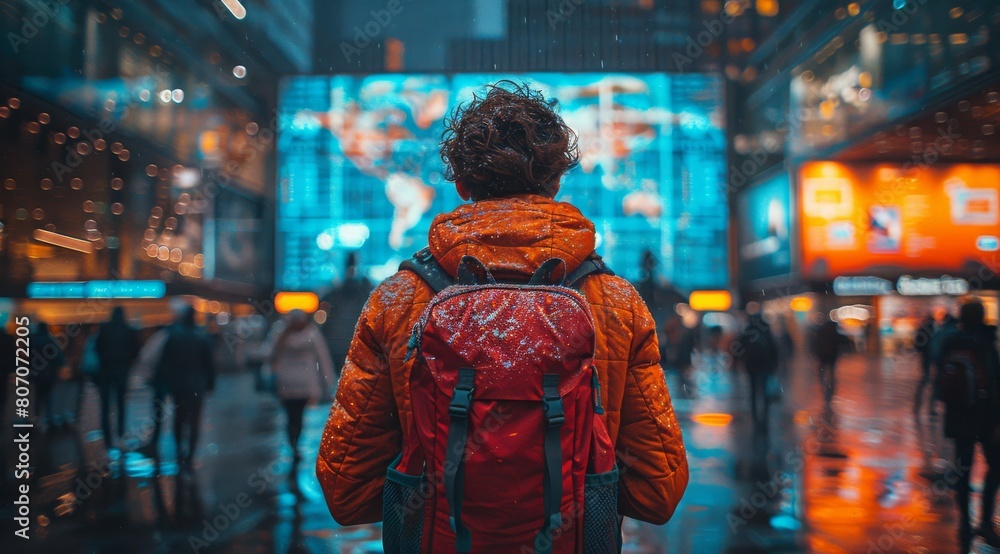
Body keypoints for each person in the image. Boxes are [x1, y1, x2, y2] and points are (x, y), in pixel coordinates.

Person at [317, 82, 688, 538]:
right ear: (555, 183)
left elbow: (346, 490)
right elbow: (658, 490)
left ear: (461, 184)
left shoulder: (398, 299)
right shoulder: (616, 302)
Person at [935, 299, 1000, 551]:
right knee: (995, 467)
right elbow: (995, 384)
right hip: (985, 417)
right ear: (982, 316)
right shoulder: (985, 343)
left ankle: (964, 523)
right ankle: (984, 522)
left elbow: (941, 378)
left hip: (959, 416)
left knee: (962, 469)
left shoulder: (950, 341)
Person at [262, 309, 334, 469]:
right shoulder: (312, 333)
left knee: (289, 415)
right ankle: (296, 441)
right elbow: (323, 359)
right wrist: (328, 384)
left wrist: (268, 374)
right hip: (305, 382)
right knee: (299, 415)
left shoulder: (281, 333)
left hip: (286, 382)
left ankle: (292, 442)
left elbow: (268, 354)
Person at [152, 306, 216, 472]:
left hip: (178, 385)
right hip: (196, 386)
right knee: (194, 420)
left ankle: (180, 450)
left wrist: (165, 383)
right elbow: (209, 364)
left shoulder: (174, 337)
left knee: (178, 418)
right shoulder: (201, 338)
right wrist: (210, 384)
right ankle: (191, 455)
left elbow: (165, 362)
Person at [95, 307, 142, 450]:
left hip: (106, 372)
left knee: (105, 406)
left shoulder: (104, 328)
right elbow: (135, 352)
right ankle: (120, 434)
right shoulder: (129, 330)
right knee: (121, 404)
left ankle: (107, 438)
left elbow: (98, 348)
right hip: (122, 372)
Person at [320, 253, 373, 377]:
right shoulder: (366, 293)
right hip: (356, 344)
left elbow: (324, 321)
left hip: (335, 345)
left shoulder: (334, 293)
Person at [737, 311, 779, 430]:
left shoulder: (748, 330)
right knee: (764, 392)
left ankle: (755, 417)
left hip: (751, 366)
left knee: (753, 392)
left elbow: (741, 346)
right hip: (765, 366)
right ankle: (764, 416)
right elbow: (773, 348)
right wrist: (774, 365)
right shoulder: (766, 330)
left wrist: (739, 360)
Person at [30, 322, 65, 428]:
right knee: (49, 396)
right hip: (49, 374)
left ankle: (36, 418)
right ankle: (48, 418)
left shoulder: (33, 341)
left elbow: (27, 358)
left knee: (37, 396)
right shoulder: (51, 341)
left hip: (37, 374)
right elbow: (59, 359)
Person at [812, 317, 846, 403]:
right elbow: (841, 341)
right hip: (832, 355)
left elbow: (816, 342)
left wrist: (816, 352)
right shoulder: (834, 332)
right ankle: (830, 384)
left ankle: (823, 382)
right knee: (831, 370)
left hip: (822, 355)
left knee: (822, 369)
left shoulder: (821, 332)